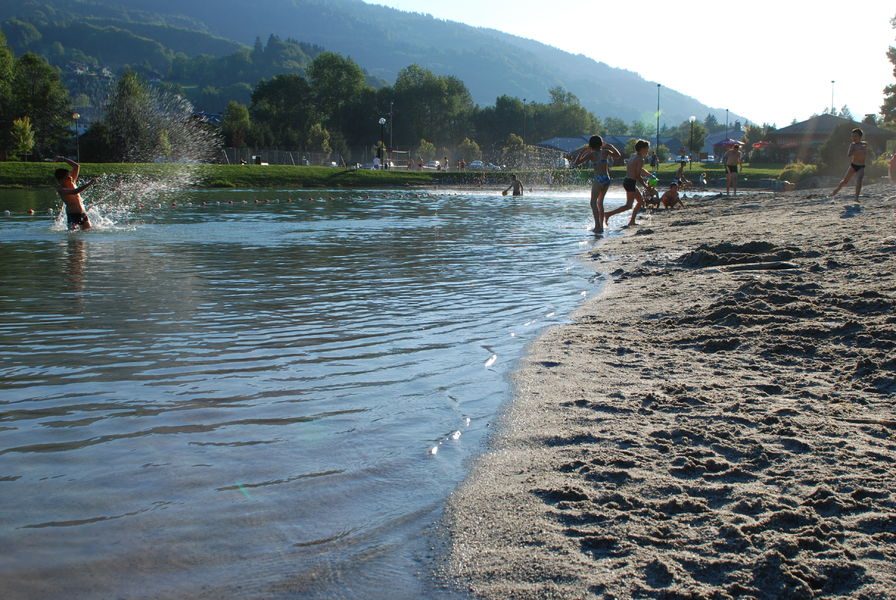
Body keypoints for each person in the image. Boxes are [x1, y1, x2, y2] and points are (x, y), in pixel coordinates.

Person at [571, 135, 622, 234]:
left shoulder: (591, 154)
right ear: (601, 143)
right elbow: (618, 155)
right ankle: (602, 225)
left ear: (591, 145)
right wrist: (610, 146)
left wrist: (583, 151)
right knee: (600, 203)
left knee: (593, 203)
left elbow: (576, 163)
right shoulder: (605, 152)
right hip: (606, 179)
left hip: (598, 179)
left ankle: (597, 226)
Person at [603, 139, 651, 227]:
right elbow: (637, 175)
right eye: (647, 148)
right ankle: (608, 214)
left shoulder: (634, 156)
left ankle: (632, 221)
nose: (648, 150)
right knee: (629, 205)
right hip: (630, 182)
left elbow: (638, 169)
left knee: (640, 201)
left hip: (627, 181)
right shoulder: (640, 159)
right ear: (642, 149)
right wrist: (646, 186)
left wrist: (648, 174)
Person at [54, 156, 95, 231]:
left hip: (82, 213)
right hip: (72, 215)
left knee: (89, 232)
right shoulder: (61, 189)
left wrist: (63, 159)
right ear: (61, 179)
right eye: (67, 176)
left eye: (69, 175)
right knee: (73, 239)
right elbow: (75, 191)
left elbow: (76, 166)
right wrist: (89, 183)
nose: (70, 177)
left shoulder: (72, 181)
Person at [832, 128, 868, 200]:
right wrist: (856, 152)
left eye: (855, 136)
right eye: (852, 136)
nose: (853, 138)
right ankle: (836, 191)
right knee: (845, 181)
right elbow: (849, 154)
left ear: (860, 137)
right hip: (853, 165)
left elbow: (865, 153)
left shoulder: (864, 144)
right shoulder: (852, 145)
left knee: (859, 180)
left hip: (861, 166)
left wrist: (863, 149)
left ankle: (856, 197)